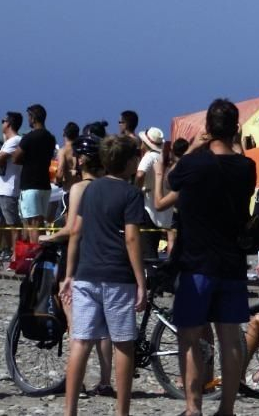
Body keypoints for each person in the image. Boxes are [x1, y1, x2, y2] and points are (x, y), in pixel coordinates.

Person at [167, 98, 257, 416]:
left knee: (190, 337)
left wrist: (192, 147)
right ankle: (227, 408)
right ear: (235, 129)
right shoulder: (246, 167)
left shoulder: (195, 164)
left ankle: (194, 407)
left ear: (208, 128)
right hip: (231, 261)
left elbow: (171, 180)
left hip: (196, 261)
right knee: (230, 338)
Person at [61, 134, 147, 416]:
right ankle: (122, 411)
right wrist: (140, 280)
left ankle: (69, 410)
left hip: (86, 273)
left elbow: (76, 230)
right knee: (123, 344)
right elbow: (131, 239)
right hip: (117, 275)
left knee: (81, 341)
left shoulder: (90, 189)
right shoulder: (131, 193)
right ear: (129, 162)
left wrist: (69, 274)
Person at [16, 104, 58, 241]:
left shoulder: (29, 137)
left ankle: (35, 255)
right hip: (44, 183)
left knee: (32, 223)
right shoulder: (51, 138)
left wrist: (27, 160)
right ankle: (41, 254)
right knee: (39, 222)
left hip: (30, 184)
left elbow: (16, 157)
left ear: (33, 118)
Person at [0, 111, 24, 267]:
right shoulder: (8, 140)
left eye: (3, 121)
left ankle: (16, 257)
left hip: (8, 190)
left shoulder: (15, 141)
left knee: (13, 225)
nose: (1, 123)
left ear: (8, 123)